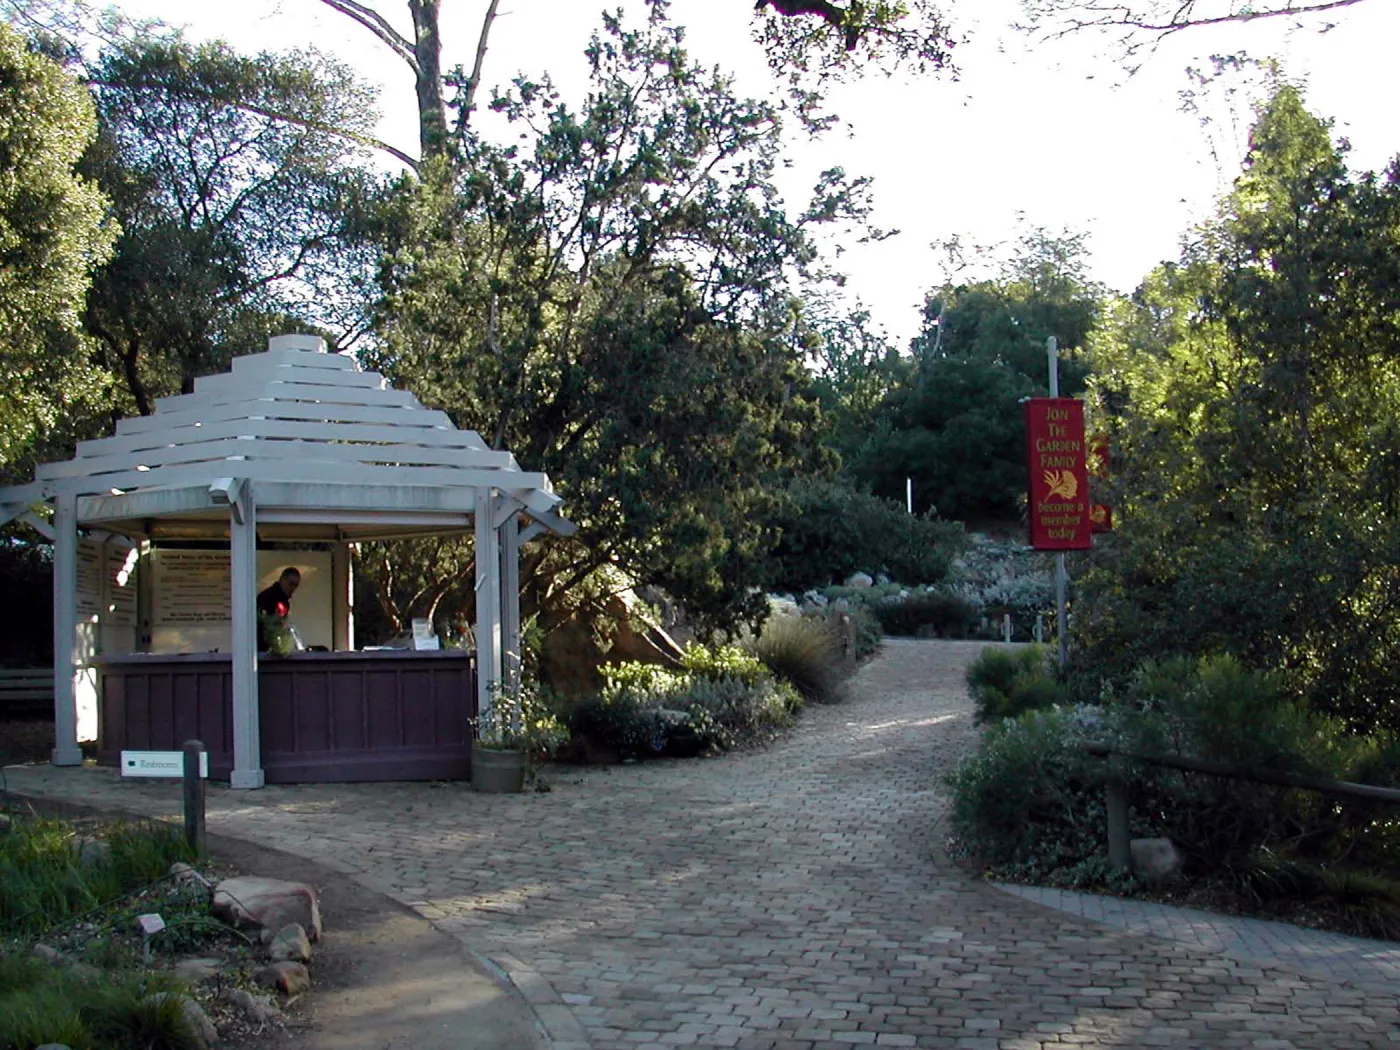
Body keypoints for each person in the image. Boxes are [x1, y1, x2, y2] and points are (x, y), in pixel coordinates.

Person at [256, 567, 300, 650]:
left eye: (296, 585)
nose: (293, 588)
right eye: (290, 584)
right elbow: (267, 626)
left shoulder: (284, 601)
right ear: (282, 580)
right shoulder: (267, 598)